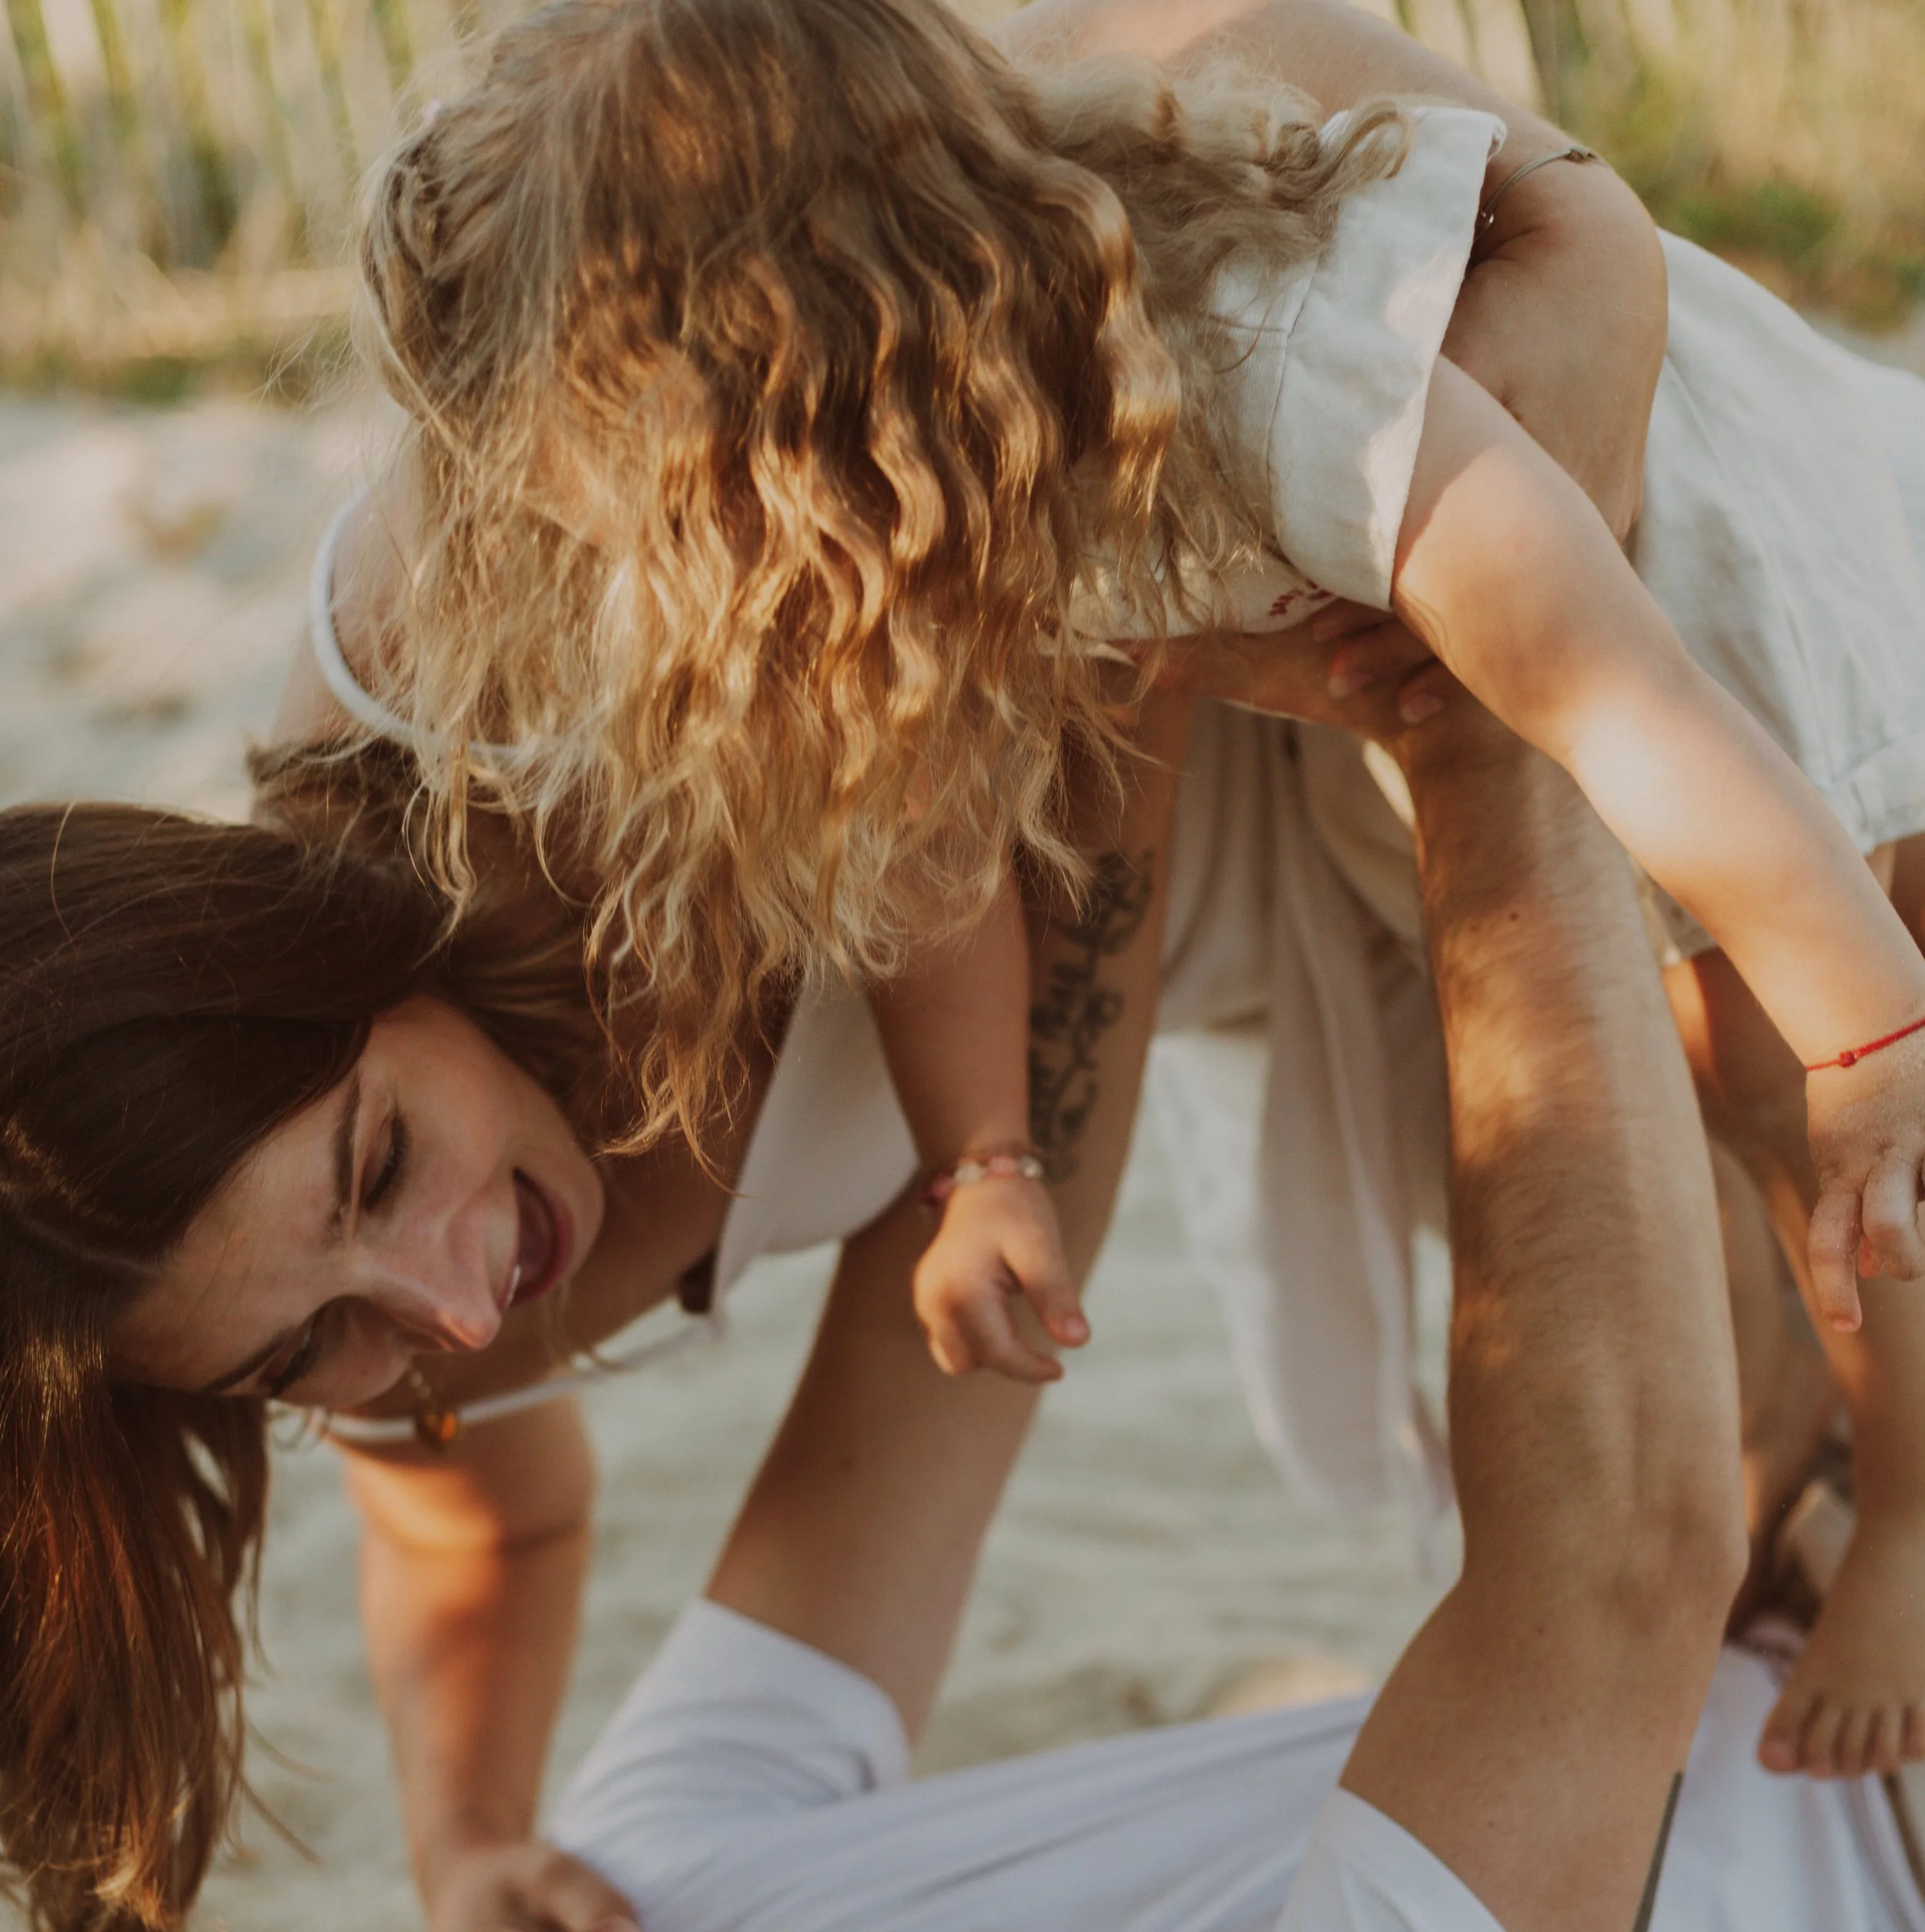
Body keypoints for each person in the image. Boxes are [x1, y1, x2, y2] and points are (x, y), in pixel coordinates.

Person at [18, 688, 1925, 1932]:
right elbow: (1609, 1567)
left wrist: (1102, 686)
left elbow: (993, 1257)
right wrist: (1484, 724)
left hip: (1796, 1567)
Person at [0, 0, 1677, 1932]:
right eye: (305, 1354)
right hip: (1245, 845)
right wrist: (470, 1837)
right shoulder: (365, 1290)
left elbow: (982, 133)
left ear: (321, 957)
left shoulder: (480, 674)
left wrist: (1560, 202)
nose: (450, 1309)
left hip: (1391, 552)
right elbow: (470, 1520)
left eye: (376, 1167)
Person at [352, 0, 1925, 1780]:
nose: (640, 564)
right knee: (1664, 1100)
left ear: (799, 384)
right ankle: (1782, 1421)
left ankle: (1908, 1510)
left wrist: (1860, 1020)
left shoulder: (1273, 371)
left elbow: (1610, 687)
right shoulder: (905, 499)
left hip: (1669, 578)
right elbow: (933, 843)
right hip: (1455, 662)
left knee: (1766, 1078)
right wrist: (983, 1165)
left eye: (649, 511)